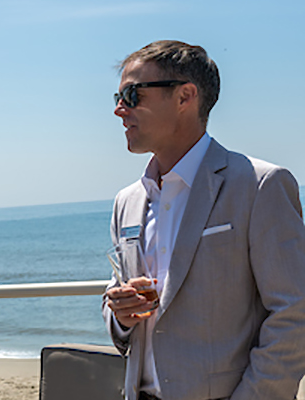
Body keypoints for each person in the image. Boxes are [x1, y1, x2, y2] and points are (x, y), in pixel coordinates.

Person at [102, 40, 305, 400]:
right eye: (117, 97)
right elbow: (113, 297)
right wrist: (119, 313)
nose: (119, 109)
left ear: (185, 97)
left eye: (132, 94)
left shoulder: (260, 186)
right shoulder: (126, 202)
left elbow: (295, 313)